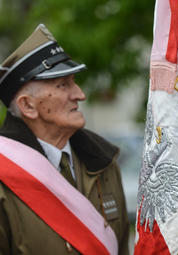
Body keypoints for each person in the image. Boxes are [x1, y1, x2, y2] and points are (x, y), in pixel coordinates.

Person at [0, 24, 129, 255]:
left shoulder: (105, 164)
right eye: (63, 85)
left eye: (74, 82)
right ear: (28, 106)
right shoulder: (4, 176)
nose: (80, 94)